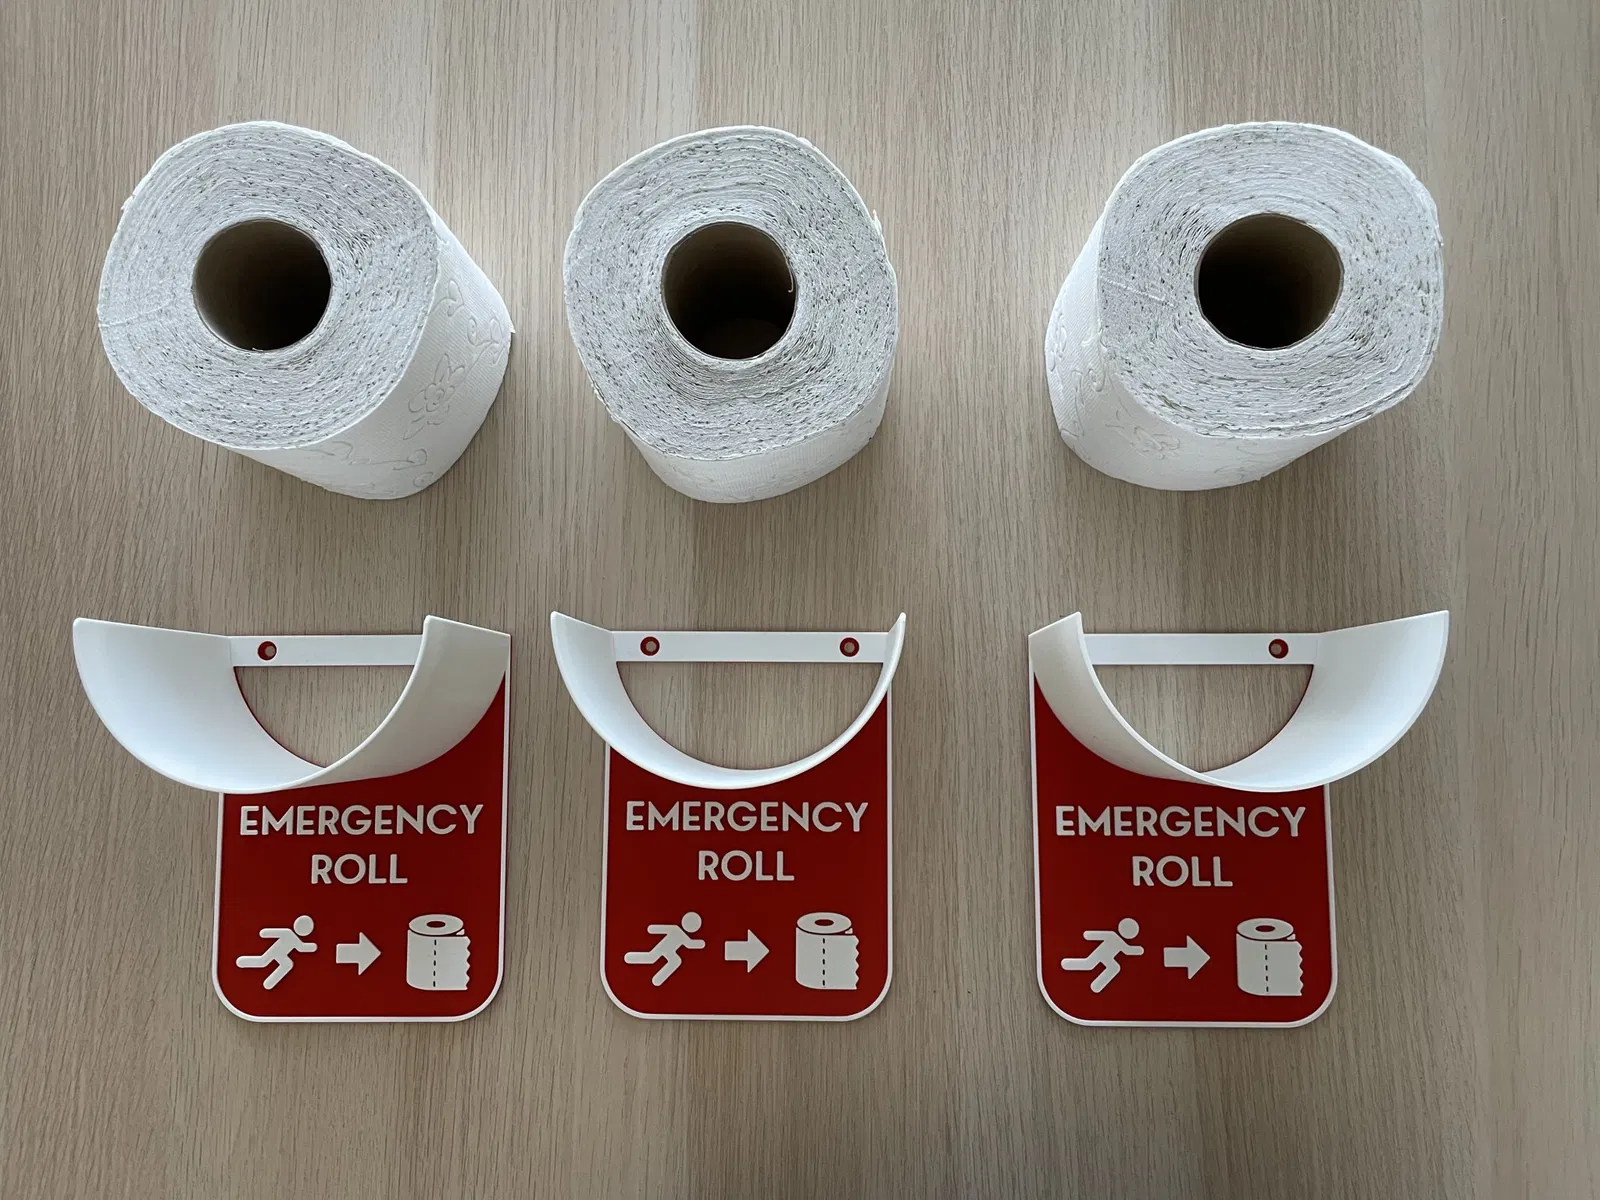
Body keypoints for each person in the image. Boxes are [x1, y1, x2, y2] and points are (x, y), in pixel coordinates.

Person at [1061, 917, 1143, 993]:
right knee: (1089, 964)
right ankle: (1068, 964)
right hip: (1099, 954)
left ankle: (1097, 985)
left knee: (1111, 967)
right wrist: (1139, 949)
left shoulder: (1115, 937)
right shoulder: (1113, 936)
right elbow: (1128, 950)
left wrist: (1139, 950)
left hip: (1106, 957)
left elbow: (1128, 950)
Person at [235, 915, 318, 990]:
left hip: (280, 955)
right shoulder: (288, 933)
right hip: (275, 952)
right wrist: (264, 933)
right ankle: (243, 962)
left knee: (282, 964)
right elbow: (301, 947)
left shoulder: (291, 935)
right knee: (263, 962)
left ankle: (269, 982)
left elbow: (301, 947)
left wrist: (312, 946)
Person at [624, 912, 705, 985]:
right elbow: (690, 944)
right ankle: (632, 958)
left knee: (674, 960)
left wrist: (701, 943)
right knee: (652, 958)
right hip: (662, 948)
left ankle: (658, 979)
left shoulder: (678, 931)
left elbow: (690, 944)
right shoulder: (676, 930)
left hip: (669, 951)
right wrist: (701, 943)